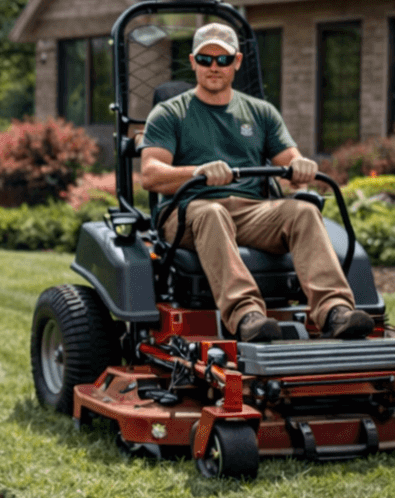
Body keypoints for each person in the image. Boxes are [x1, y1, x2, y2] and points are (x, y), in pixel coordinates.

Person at [140, 22, 374, 344]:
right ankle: (246, 315)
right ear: (193, 61)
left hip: (250, 210)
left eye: (222, 60)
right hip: (187, 212)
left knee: (302, 212)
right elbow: (151, 173)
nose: (213, 67)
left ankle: (335, 311)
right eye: (205, 59)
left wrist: (300, 167)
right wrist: (197, 172)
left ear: (236, 62)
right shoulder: (169, 113)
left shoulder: (261, 113)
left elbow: (291, 160)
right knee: (212, 212)